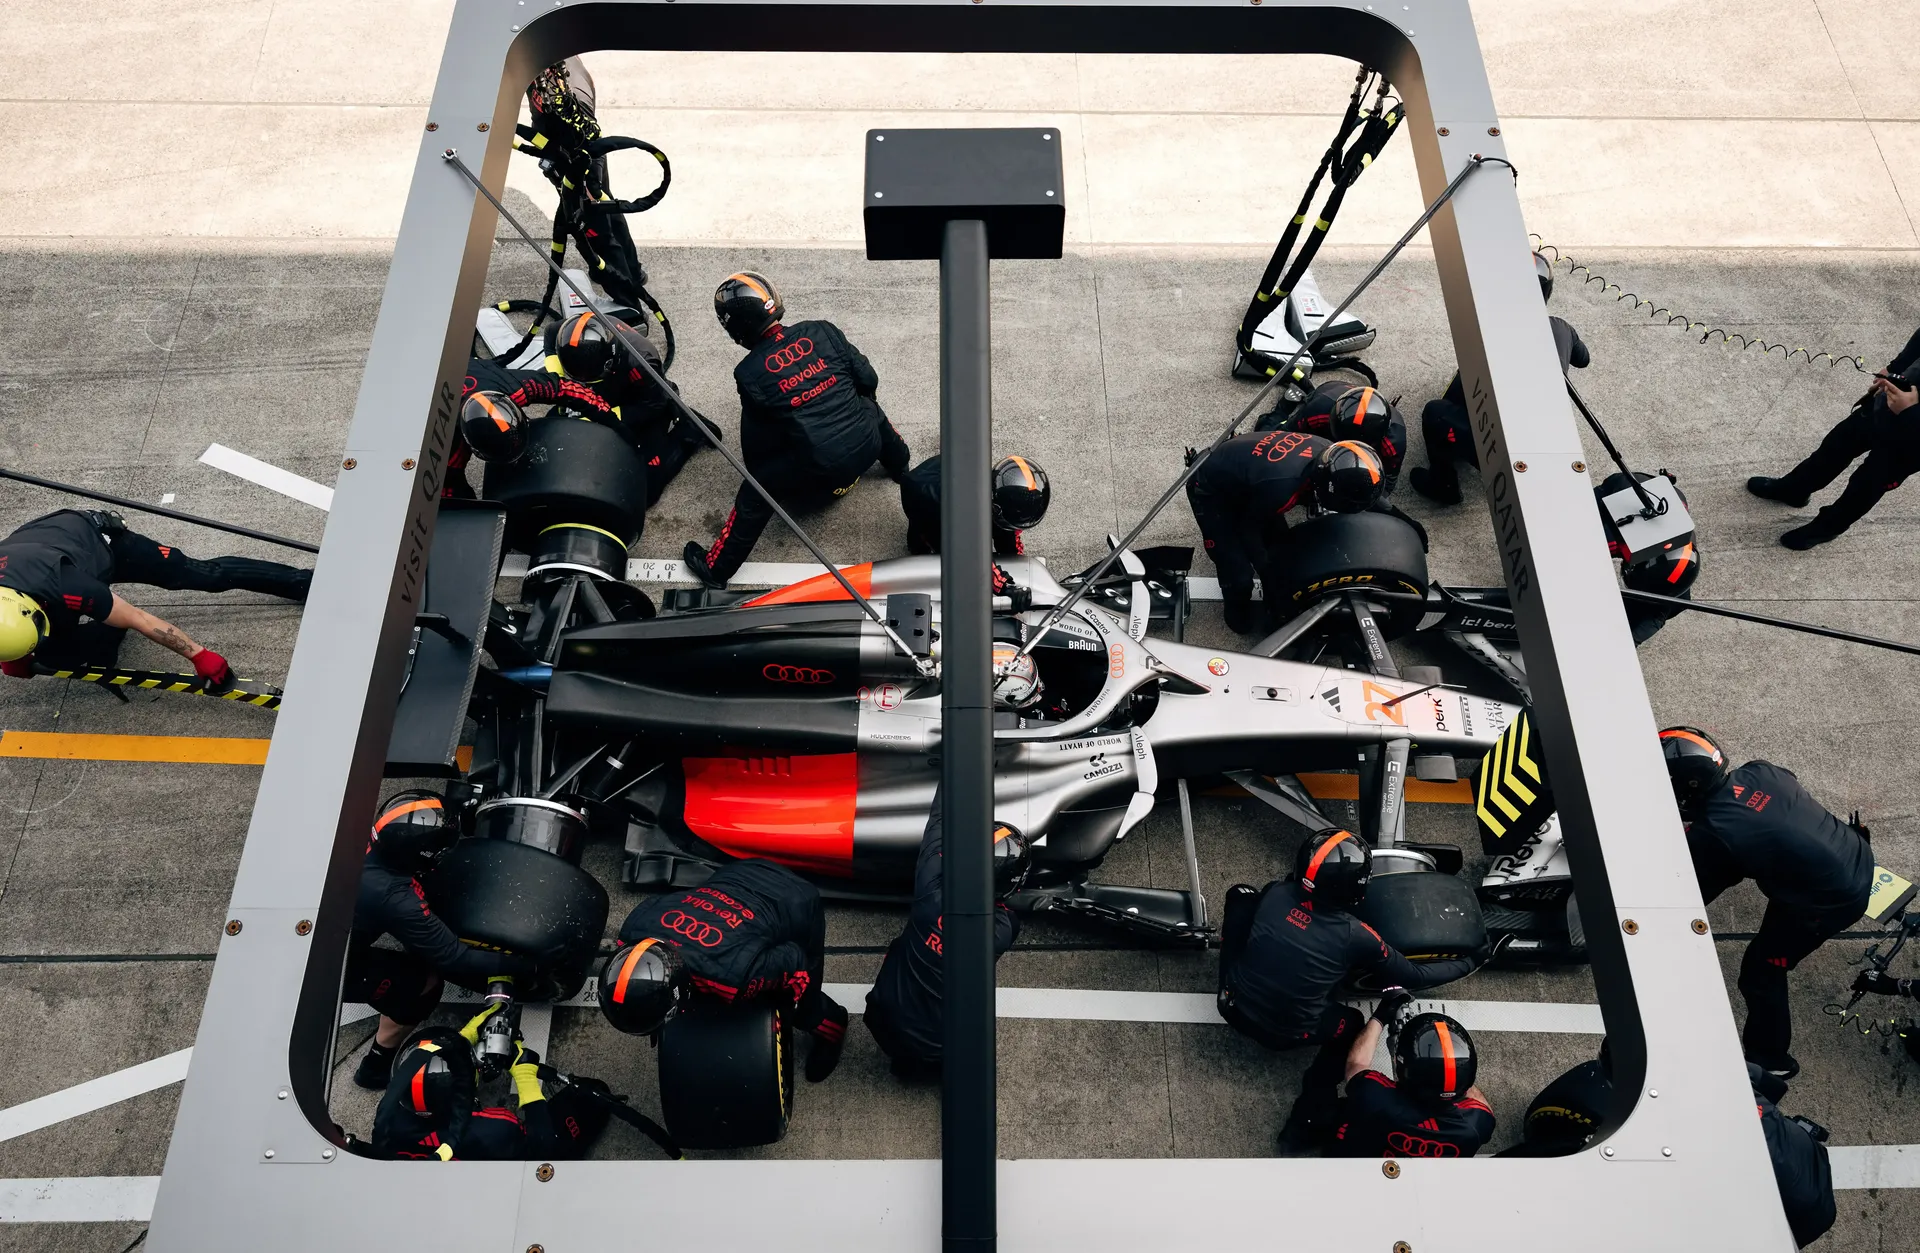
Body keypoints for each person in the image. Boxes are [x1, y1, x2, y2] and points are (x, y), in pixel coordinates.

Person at [1217, 828, 1479, 1149]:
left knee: (1241, 896)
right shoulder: (1358, 936)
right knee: (1353, 1023)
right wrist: (1471, 961)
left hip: (1229, 1004)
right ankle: (1307, 1118)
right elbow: (1412, 974)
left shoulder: (1276, 893)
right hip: (1283, 1035)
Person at [1662, 726, 1873, 1079]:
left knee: (1761, 972)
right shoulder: (1759, 770)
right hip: (1857, 852)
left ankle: (1771, 1060)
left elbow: (1690, 896)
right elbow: (1759, 817)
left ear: (1689, 786)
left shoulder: (1717, 833)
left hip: (1833, 901)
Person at [683, 272, 911, 587]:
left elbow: (755, 452)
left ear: (735, 328)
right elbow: (868, 381)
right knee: (868, 407)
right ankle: (900, 464)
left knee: (757, 485)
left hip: (819, 479)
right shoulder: (823, 330)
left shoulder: (749, 373)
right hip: (869, 445)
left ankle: (717, 568)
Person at [346, 791, 538, 1090]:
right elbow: (455, 958)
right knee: (423, 983)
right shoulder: (395, 898)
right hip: (320, 965)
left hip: (312, 922)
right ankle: (376, 1065)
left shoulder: (353, 834)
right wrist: (528, 965)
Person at [599, 857, 849, 1082]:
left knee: (805, 1008)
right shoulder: (632, 932)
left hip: (792, 900)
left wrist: (786, 1008)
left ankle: (833, 1027)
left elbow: (796, 963)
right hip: (736, 872)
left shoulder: (731, 977)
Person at [0, 508, 310, 687]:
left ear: (32, 609)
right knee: (53, 651)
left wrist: (199, 655)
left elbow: (140, 619)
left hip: (99, 543)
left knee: (204, 575)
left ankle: (301, 582)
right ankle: (106, 635)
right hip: (42, 553)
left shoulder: (70, 586)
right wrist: (13, 654)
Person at [453, 312, 716, 506]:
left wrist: (612, 420)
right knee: (557, 425)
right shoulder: (570, 332)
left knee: (645, 490)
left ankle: (687, 434)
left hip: (639, 401)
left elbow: (654, 403)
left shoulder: (643, 362)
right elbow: (552, 332)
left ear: (608, 360)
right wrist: (559, 376)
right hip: (599, 386)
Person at [1409, 253, 1591, 505]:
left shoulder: (1493, 328)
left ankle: (1444, 485)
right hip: (1546, 442)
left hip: (1506, 453)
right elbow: (1583, 359)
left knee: (1435, 412)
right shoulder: (1561, 327)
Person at [865, 805, 1029, 1080]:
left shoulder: (929, 882)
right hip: (936, 1046)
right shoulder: (1004, 928)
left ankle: (904, 1064)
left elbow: (940, 817)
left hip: (881, 1016)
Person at [1186, 433, 1384, 634]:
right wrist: (1267, 572)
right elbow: (1249, 530)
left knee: (1282, 548)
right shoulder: (1282, 488)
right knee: (1238, 572)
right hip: (1210, 491)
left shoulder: (1333, 452)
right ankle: (1235, 611)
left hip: (1251, 477)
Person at [1746, 326, 1920, 549]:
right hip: (1890, 401)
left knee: (1868, 483)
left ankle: (1826, 528)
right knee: (1837, 445)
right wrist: (1894, 369)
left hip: (1912, 439)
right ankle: (1795, 489)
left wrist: (1909, 412)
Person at [371, 1006, 607, 1161]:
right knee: (591, 1099)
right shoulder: (494, 1129)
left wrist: (461, 1040)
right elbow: (544, 1151)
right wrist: (527, 1082)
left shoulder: (391, 1118)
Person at [1326, 996, 1496, 1158]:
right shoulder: (1478, 1123)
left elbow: (1356, 1065)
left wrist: (1380, 1016)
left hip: (1354, 1162)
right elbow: (1478, 1101)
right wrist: (1452, 1071)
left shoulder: (1373, 1096)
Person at [1256, 383, 1406, 494]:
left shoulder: (1394, 444)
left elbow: (1386, 483)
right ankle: (1283, 408)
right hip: (1324, 401)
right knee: (1266, 436)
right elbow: (1282, 436)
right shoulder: (1318, 410)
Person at [899, 454, 1051, 556]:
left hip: (940, 478)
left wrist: (1012, 557)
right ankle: (917, 547)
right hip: (921, 498)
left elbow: (1006, 533)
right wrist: (1003, 584)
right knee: (937, 547)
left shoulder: (992, 484)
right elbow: (966, 560)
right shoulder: (961, 517)